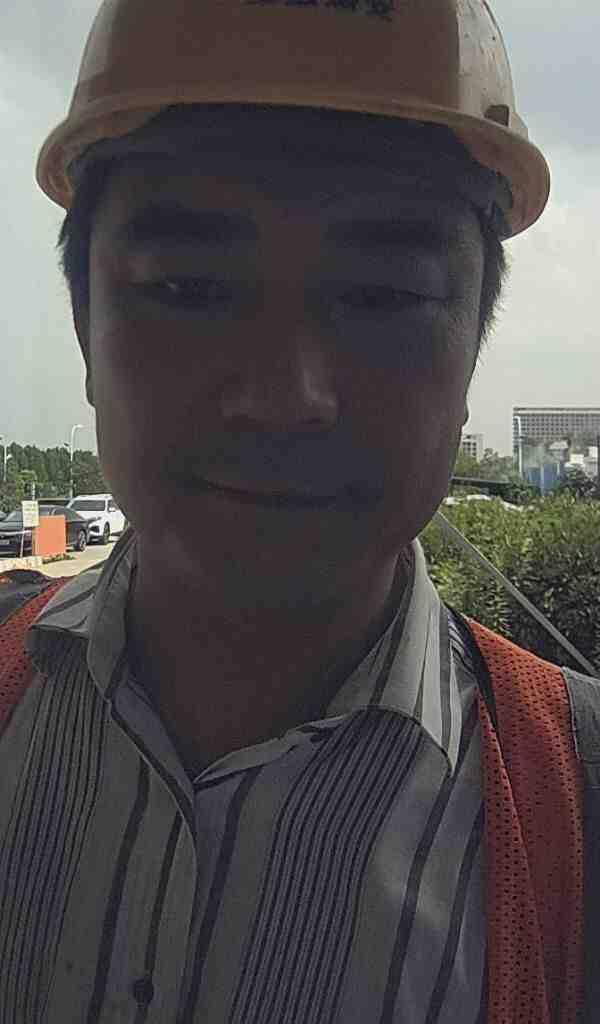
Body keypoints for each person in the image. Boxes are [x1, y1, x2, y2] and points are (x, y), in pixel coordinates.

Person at [0, 1, 598, 1020]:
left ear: (471, 351)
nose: (287, 394)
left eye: (383, 296)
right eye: (190, 287)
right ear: (86, 329)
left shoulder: (577, 812)